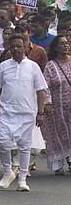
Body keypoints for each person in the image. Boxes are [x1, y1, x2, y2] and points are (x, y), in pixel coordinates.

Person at [0, 34, 48, 192]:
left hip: (27, 113)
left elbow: (40, 91)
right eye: (13, 46)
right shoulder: (3, 67)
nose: (15, 49)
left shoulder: (33, 67)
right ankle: (8, 172)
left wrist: (41, 112)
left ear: (25, 47)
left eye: (19, 46)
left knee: (24, 147)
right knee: (3, 143)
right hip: (6, 112)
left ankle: (22, 179)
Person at [42, 35, 71, 174]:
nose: (65, 46)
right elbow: (45, 86)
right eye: (62, 44)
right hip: (58, 109)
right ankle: (58, 164)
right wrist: (47, 103)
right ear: (55, 47)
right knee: (58, 134)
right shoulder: (51, 66)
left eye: (66, 43)